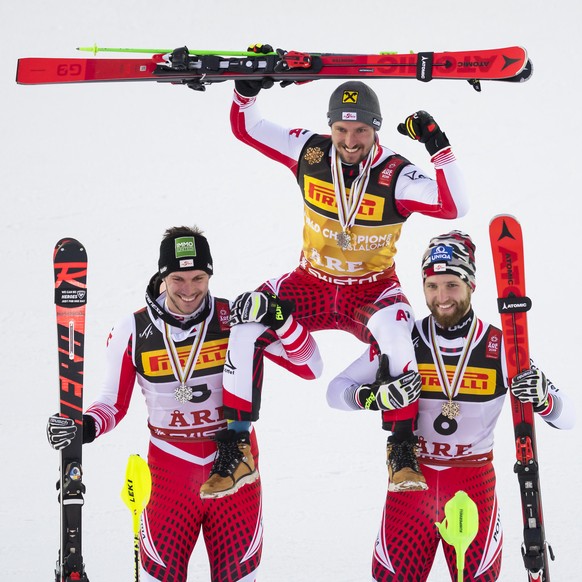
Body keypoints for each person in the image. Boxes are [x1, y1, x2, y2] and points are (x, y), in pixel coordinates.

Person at [205, 44, 470, 497]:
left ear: (376, 130)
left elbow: (454, 205)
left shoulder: (395, 175)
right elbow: (246, 128)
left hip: (369, 292)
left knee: (399, 333)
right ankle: (236, 445)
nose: (350, 141)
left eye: (361, 131)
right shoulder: (309, 152)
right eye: (342, 130)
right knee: (244, 323)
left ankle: (402, 450)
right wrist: (246, 92)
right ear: (330, 128)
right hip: (309, 283)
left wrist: (436, 145)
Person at [47, 226, 323, 582]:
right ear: (163, 276)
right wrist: (85, 426)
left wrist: (280, 318)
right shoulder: (133, 329)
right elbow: (112, 404)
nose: (189, 290)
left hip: (236, 466)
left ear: (210, 274)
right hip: (169, 470)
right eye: (178, 279)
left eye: (199, 277)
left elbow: (310, 366)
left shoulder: (235, 319)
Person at [326, 230, 575, 581]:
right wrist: (373, 397)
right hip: (411, 481)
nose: (441, 297)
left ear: (471, 284)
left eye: (451, 285)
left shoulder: (499, 346)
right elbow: (336, 391)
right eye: (432, 286)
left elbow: (570, 418)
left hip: (472, 483)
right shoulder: (403, 340)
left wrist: (544, 397)